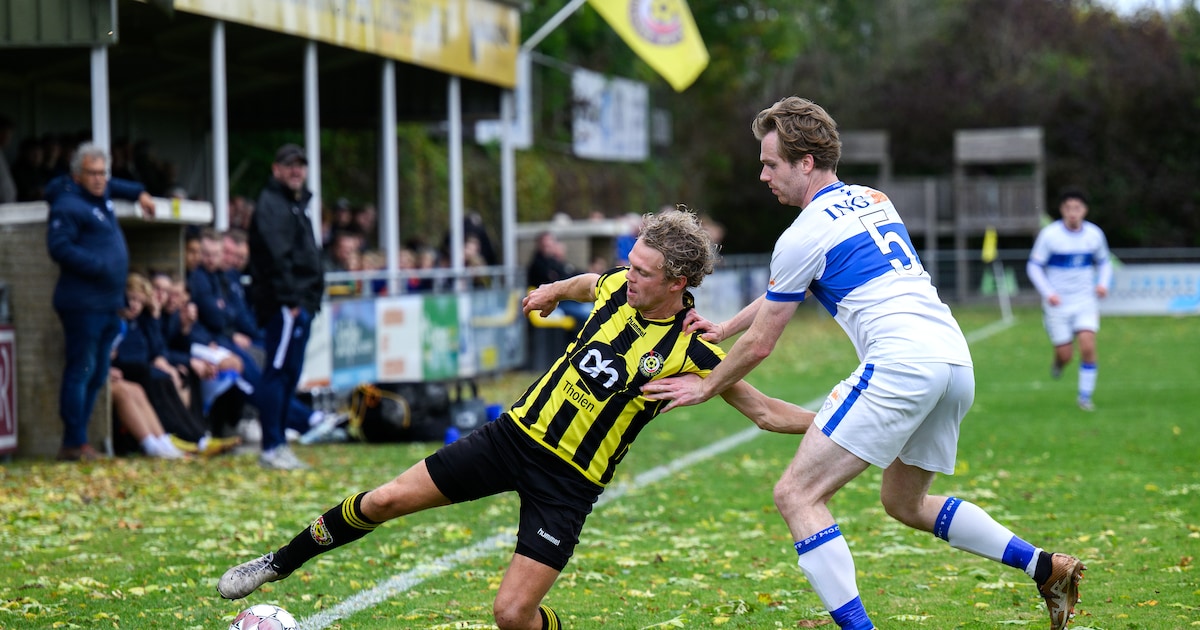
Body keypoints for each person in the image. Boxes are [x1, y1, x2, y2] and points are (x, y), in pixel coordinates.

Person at [217, 210, 815, 629]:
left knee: (511, 615)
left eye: (642, 271)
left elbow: (764, 412)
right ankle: (277, 563)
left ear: (676, 283)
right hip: (509, 439)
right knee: (384, 499)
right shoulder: (617, 288)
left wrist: (842, 425)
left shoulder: (696, 350)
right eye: (630, 264)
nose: (628, 275)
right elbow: (589, 282)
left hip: (568, 484)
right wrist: (552, 290)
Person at [641, 97, 1085, 630]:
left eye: (771, 163)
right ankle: (1045, 567)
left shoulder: (802, 234)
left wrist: (705, 386)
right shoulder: (874, 199)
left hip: (901, 363)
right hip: (952, 360)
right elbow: (791, 288)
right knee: (904, 502)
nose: (763, 176)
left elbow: (762, 345)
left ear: (806, 162)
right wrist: (723, 328)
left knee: (797, 495)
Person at [45, 142, 156, 461]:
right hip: (83, 304)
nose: (99, 179)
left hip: (108, 304)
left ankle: (81, 440)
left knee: (97, 375)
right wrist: (99, 266)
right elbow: (59, 247)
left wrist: (140, 193)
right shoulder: (67, 204)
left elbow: (118, 185)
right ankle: (73, 441)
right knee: (81, 370)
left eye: (102, 173)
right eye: (91, 173)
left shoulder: (102, 191)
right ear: (77, 175)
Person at [245, 143, 324, 470]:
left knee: (289, 375)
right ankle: (271, 445)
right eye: (290, 165)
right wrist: (290, 301)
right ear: (276, 169)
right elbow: (277, 258)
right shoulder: (272, 204)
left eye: (300, 165)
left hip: (299, 303)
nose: (296, 171)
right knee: (277, 373)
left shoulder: (293, 204)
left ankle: (279, 443)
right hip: (284, 306)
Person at [1026, 190, 1111, 411]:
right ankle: (1058, 362)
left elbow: (1104, 262)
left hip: (1085, 300)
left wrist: (1103, 283)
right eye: (1068, 208)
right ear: (1062, 210)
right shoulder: (1050, 235)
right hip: (1058, 303)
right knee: (1066, 355)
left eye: (1077, 208)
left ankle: (1085, 398)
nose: (1073, 212)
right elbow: (1034, 266)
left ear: (1085, 210)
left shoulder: (1094, 234)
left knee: (1088, 345)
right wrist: (1048, 293)